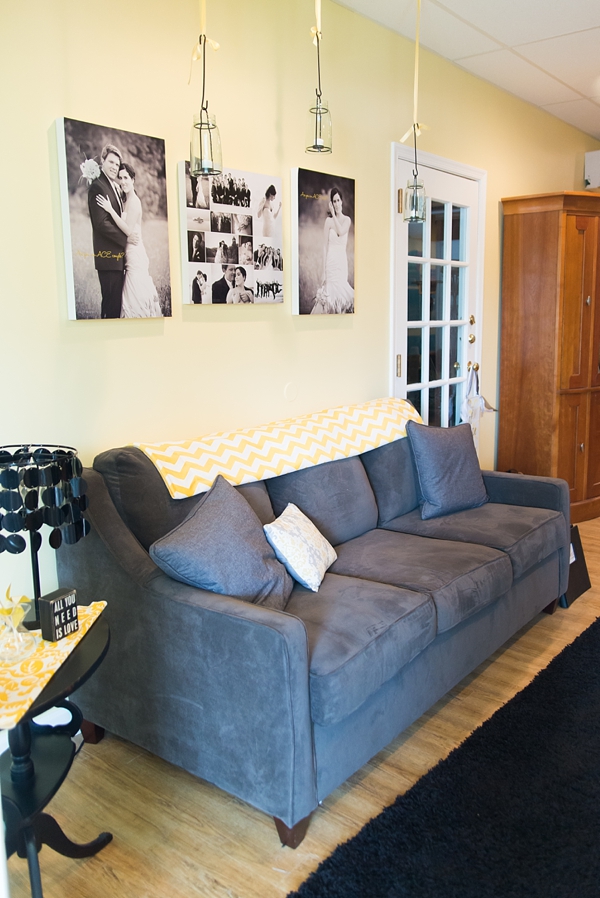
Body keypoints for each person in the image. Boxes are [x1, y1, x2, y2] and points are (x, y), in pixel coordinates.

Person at [96, 162, 161, 318]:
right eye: (120, 178)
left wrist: (110, 210)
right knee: (128, 292)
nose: (123, 181)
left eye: (126, 178)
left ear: (133, 179)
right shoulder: (125, 199)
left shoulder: (134, 202)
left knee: (135, 291)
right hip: (128, 252)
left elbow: (127, 229)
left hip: (134, 253)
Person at [88, 144, 138, 318]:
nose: (114, 167)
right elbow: (101, 224)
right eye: (111, 162)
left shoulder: (113, 186)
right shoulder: (98, 186)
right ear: (102, 161)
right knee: (111, 307)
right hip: (108, 258)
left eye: (117, 164)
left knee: (115, 306)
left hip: (117, 259)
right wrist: (126, 239)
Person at [311, 186, 354, 315]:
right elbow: (325, 246)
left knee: (342, 292)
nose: (336, 204)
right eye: (334, 201)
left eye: (338, 200)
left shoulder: (347, 220)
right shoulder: (328, 221)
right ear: (332, 203)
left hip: (341, 262)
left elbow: (340, 231)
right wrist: (323, 271)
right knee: (329, 293)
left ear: (342, 201)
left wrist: (334, 214)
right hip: (331, 262)